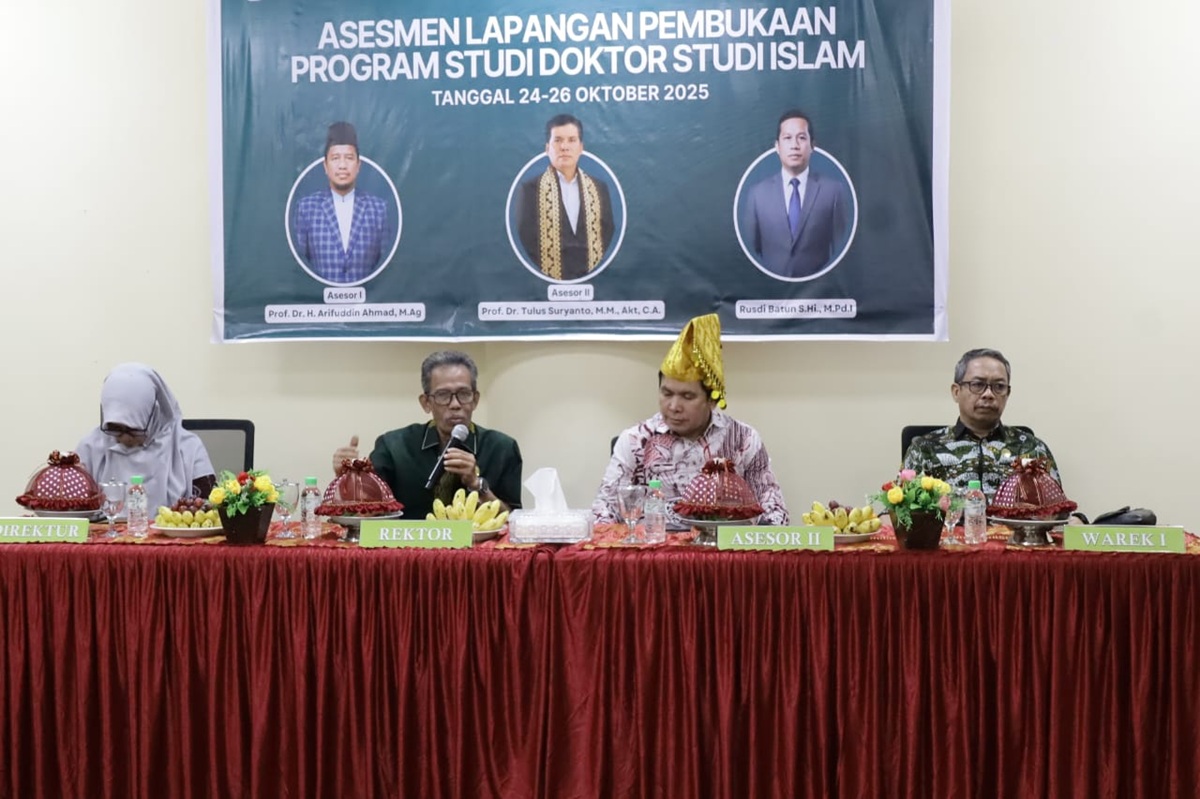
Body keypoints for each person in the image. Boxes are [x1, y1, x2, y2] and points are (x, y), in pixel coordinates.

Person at [592, 314, 789, 526]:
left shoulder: (743, 439)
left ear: (712, 400)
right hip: (655, 544)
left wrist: (763, 533)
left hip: (723, 545)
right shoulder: (635, 441)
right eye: (667, 393)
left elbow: (774, 510)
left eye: (687, 396)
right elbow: (604, 511)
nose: (674, 406)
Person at [331, 351, 522, 520]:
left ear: (475, 400)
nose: (455, 404)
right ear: (426, 403)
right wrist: (347, 480)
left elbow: (513, 521)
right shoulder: (394, 447)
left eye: (464, 394)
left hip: (478, 548)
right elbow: (367, 511)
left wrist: (476, 484)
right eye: (443, 395)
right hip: (406, 547)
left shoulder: (502, 448)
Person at [902, 348, 1064, 498]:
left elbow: (1057, 508)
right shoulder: (925, 449)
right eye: (978, 384)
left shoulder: (1032, 448)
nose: (988, 394)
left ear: (1007, 393)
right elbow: (901, 509)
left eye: (999, 386)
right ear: (956, 392)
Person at [75, 363, 216, 512]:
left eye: (134, 430)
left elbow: (210, 511)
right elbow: (73, 510)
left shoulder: (187, 448)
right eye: (116, 429)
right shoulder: (90, 448)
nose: (125, 438)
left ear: (154, 413)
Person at [742, 109, 850, 279]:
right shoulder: (757, 194)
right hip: (769, 290)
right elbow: (749, 252)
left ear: (812, 145)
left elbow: (841, 251)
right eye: (787, 138)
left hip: (819, 290)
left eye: (801, 138)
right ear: (777, 146)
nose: (794, 145)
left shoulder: (832, 191)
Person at [515, 113, 615, 281]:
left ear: (581, 147)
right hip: (545, 281)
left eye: (571, 140)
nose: (564, 147)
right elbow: (526, 238)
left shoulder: (599, 188)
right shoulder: (530, 190)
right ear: (547, 148)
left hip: (592, 279)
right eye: (558, 140)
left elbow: (608, 231)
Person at [293, 121, 393, 284]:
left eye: (349, 158)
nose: (342, 165)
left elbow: (385, 268)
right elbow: (299, 267)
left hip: (366, 300)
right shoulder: (307, 208)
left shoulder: (378, 209)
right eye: (335, 158)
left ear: (358, 165)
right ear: (325, 166)